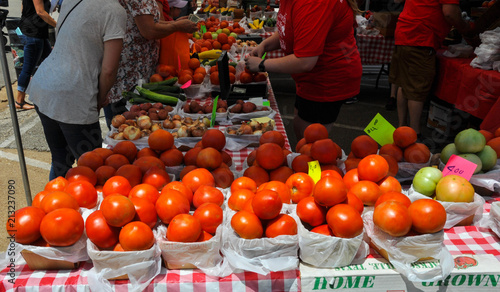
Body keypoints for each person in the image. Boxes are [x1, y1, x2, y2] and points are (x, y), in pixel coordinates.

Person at [27, 0, 127, 180]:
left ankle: (52, 204)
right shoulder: (114, 10)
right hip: (74, 93)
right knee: (95, 168)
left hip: (44, 84)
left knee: (60, 160)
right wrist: (99, 98)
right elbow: (109, 70)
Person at [245, 0, 362, 141]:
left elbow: (305, 61)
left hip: (327, 81)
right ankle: (308, 161)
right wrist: (264, 45)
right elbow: (290, 28)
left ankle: (314, 164)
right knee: (301, 128)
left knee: (311, 142)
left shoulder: (313, 4)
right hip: (309, 78)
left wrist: (262, 65)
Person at [104, 0, 198, 128]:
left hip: (137, 70)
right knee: (125, 126)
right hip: (130, 74)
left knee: (139, 126)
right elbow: (149, 30)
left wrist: (174, 23)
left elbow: (151, 22)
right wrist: (177, 26)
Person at [388, 0, 471, 139]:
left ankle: (402, 129)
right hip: (421, 38)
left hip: (405, 33)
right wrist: (465, 27)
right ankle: (415, 134)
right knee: (417, 88)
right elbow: (450, 13)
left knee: (404, 83)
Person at [16, 0, 57, 110]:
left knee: (51, 63)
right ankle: (19, 101)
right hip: (33, 34)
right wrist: (59, 25)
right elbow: (40, 12)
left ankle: (49, 93)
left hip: (35, 33)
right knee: (28, 68)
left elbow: (24, 8)